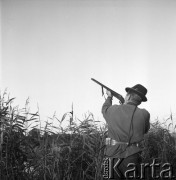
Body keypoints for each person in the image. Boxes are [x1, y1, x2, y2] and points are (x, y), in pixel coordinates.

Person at [102, 84, 150, 179]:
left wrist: (109, 97)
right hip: (132, 156)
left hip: (111, 155)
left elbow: (105, 109)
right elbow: (145, 131)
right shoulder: (145, 114)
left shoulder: (113, 109)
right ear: (140, 101)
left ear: (128, 96)